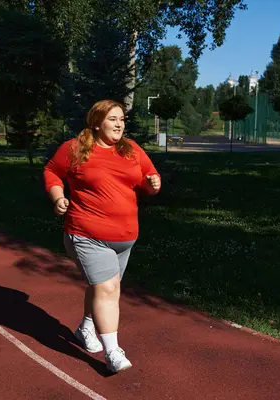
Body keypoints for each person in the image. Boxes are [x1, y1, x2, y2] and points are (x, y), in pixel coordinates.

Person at [43, 99, 161, 373]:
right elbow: (51, 170)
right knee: (109, 289)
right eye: (113, 119)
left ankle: (86, 328)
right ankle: (113, 352)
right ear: (96, 123)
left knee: (102, 289)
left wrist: (153, 184)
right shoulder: (75, 149)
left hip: (125, 237)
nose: (119, 124)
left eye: (122, 119)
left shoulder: (131, 149)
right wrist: (58, 196)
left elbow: (148, 177)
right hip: (87, 233)